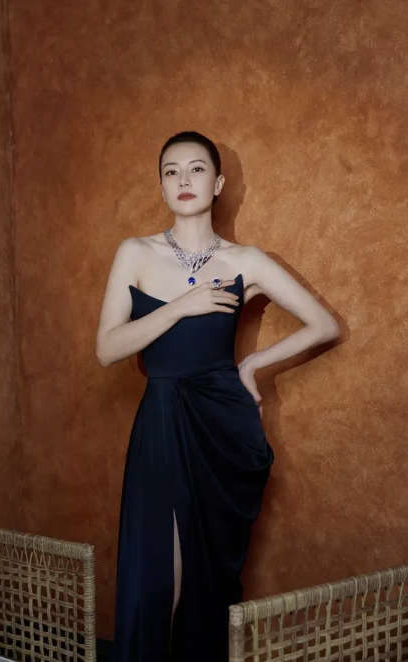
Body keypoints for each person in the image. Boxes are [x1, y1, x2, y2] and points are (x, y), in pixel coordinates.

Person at [96, 131, 340, 661]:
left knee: (205, 585)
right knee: (158, 582)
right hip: (162, 421)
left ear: (219, 183)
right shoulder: (135, 253)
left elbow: (324, 325)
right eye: (171, 172)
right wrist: (181, 306)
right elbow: (107, 348)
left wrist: (252, 363)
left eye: (197, 169)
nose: (183, 180)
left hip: (221, 428)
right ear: (162, 187)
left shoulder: (246, 261)